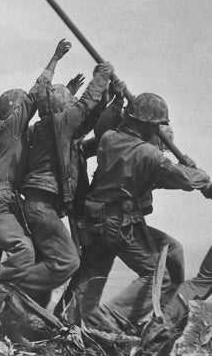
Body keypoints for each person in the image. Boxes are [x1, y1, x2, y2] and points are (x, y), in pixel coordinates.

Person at [0, 39, 72, 320]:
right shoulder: (10, 127)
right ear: (15, 109)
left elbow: (49, 117)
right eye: (23, 107)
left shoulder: (15, 136)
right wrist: (54, 59)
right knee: (23, 250)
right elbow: (36, 93)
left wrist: (67, 96)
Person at [71, 92, 211, 331]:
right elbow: (186, 180)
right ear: (146, 124)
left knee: (95, 270)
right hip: (120, 223)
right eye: (156, 125)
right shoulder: (149, 154)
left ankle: (72, 317)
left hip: (96, 218)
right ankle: (113, 319)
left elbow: (154, 176)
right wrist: (199, 175)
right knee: (158, 276)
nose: (157, 130)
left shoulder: (109, 138)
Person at [17, 61, 114, 306]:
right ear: (63, 107)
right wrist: (101, 77)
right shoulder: (58, 124)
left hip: (41, 205)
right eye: (70, 103)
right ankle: (5, 289)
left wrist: (110, 99)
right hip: (41, 206)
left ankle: (22, 311)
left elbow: (88, 121)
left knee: (48, 265)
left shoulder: (52, 130)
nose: (74, 108)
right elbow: (85, 107)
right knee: (68, 261)